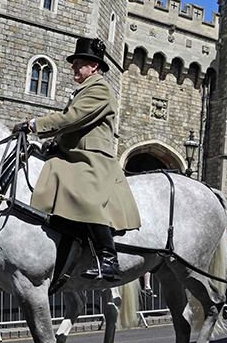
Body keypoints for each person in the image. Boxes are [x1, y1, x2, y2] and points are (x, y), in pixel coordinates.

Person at [14, 38, 141, 282]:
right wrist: (55, 143)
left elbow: (73, 118)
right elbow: (72, 127)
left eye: (79, 63)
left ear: (94, 66)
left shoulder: (100, 89)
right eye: (74, 63)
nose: (73, 67)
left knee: (84, 196)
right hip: (73, 153)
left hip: (92, 158)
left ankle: (108, 259)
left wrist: (33, 125)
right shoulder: (85, 89)